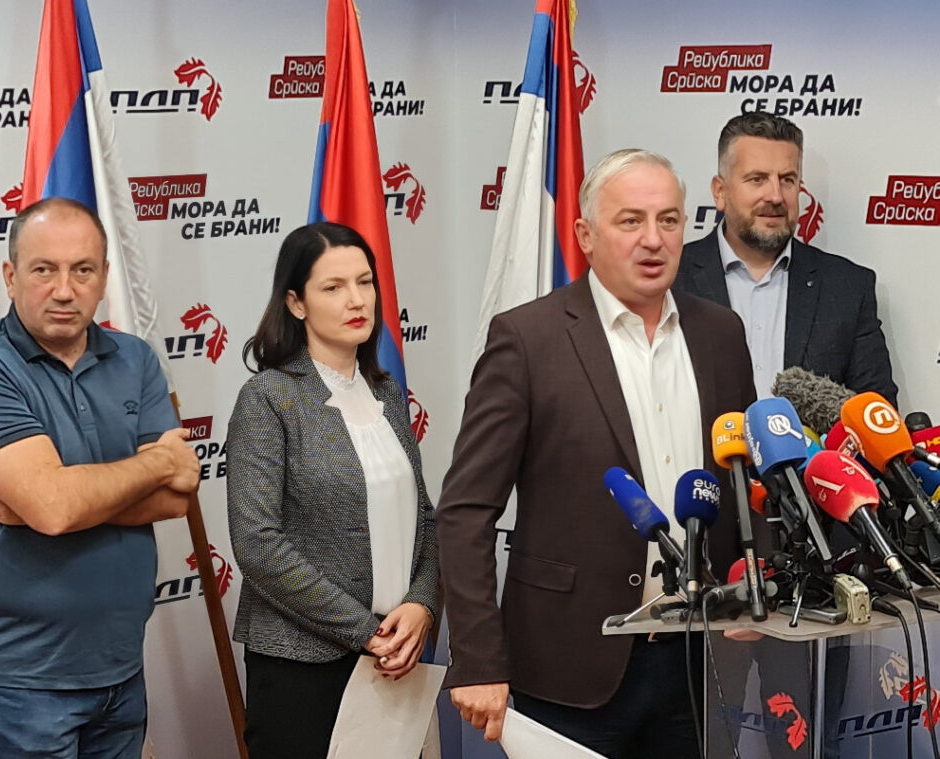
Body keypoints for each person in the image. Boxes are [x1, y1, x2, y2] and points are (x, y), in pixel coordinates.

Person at [436, 150, 757, 759]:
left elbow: (747, 482)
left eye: (668, 220)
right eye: (630, 221)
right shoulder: (527, 339)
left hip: (701, 658)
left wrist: (752, 586)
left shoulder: (721, 333)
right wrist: (476, 657)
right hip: (570, 664)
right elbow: (465, 510)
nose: (653, 239)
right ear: (585, 235)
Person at [0, 196, 200, 758]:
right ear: (10, 277)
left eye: (82, 270)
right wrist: (156, 462)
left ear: (103, 277)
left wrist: (54, 501)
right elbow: (57, 508)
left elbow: (175, 500)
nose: (64, 290)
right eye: (44, 270)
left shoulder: (135, 359)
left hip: (121, 667)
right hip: (21, 683)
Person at [226, 221, 439, 759]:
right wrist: (365, 631)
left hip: (395, 656)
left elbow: (425, 520)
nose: (356, 299)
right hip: (303, 667)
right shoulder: (268, 398)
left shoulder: (387, 394)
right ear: (296, 303)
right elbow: (257, 544)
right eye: (333, 286)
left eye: (364, 282)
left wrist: (421, 604)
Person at [674, 111, 898, 405]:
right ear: (720, 192)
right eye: (757, 179)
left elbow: (876, 412)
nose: (776, 196)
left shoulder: (847, 288)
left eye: (787, 180)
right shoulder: (671, 278)